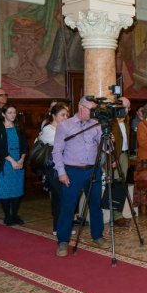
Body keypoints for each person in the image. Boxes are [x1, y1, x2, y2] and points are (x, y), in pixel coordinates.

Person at [51, 97, 106, 257]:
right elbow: (57, 151)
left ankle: (97, 235)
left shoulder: (96, 125)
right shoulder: (65, 125)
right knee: (68, 206)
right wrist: (61, 172)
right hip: (72, 171)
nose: (93, 112)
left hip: (92, 170)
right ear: (81, 107)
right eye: (91, 109)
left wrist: (108, 141)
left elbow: (104, 147)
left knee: (95, 204)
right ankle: (63, 241)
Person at [37, 102, 71, 225]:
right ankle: (63, 226)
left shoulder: (64, 128)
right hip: (52, 168)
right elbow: (61, 145)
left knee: (58, 197)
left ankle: (58, 227)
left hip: (64, 166)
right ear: (54, 116)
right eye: (62, 115)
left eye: (67, 115)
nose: (66, 118)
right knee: (62, 196)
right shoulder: (48, 130)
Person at [0, 104, 28, 225]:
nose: (13, 115)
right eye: (10, 113)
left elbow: (25, 145)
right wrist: (13, 161)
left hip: (19, 161)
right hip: (5, 162)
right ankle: (7, 216)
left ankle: (15, 214)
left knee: (17, 189)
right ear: (3, 114)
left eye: (14, 112)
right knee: (5, 190)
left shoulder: (19, 127)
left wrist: (21, 160)